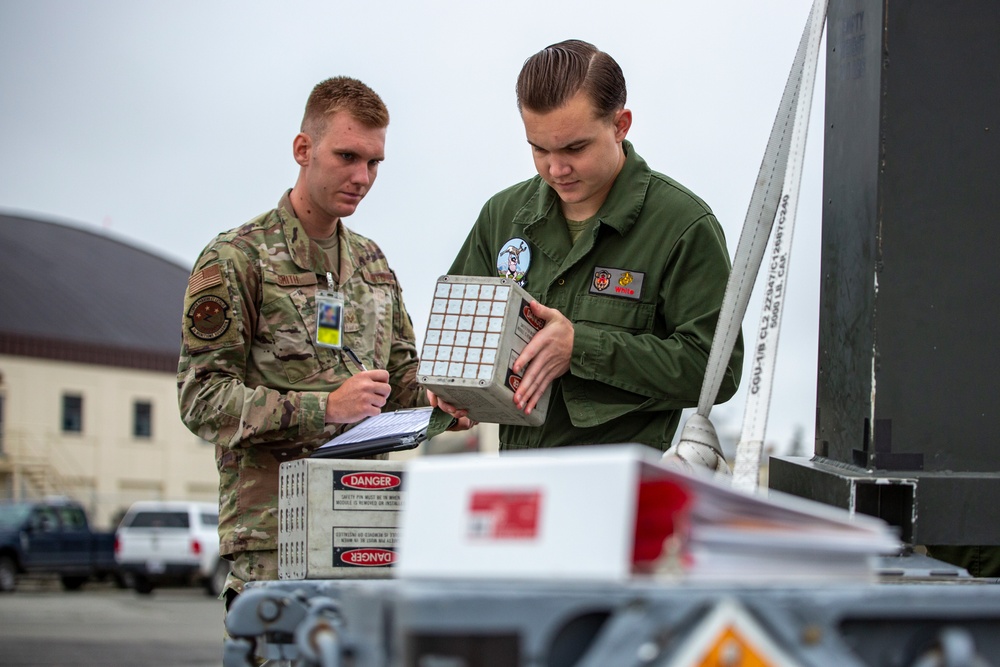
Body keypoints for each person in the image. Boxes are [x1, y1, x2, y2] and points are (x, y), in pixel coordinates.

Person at [176, 76, 460, 610]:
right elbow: (202, 401)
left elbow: (402, 388)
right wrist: (324, 407)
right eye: (348, 156)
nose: (362, 177)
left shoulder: (373, 264)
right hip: (276, 534)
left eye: (375, 163)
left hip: (364, 525)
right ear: (303, 149)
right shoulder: (237, 259)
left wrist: (450, 401)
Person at [433, 40, 743, 459]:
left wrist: (580, 347)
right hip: (518, 485)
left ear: (621, 125)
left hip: (623, 489)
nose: (556, 169)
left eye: (575, 148)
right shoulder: (502, 216)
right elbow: (458, 338)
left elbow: (717, 370)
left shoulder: (682, 226)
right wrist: (450, 390)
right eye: (539, 149)